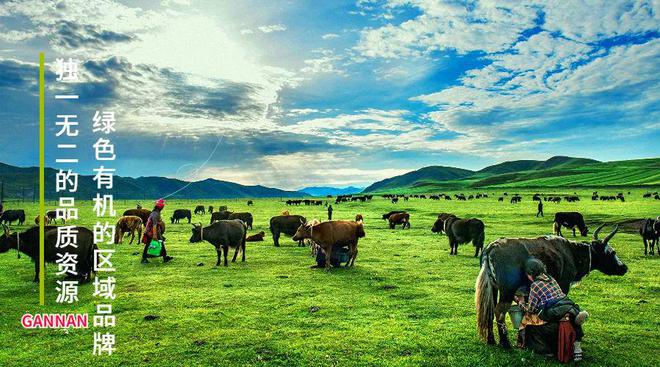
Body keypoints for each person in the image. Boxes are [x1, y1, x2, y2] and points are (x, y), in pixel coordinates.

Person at [515, 258, 589, 362]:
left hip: (552, 310)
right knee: (567, 312)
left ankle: (544, 351)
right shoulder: (551, 278)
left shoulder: (535, 285)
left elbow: (531, 309)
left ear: (530, 273)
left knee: (530, 323)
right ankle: (576, 336)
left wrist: (520, 302)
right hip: (565, 303)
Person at [141, 199, 173, 264]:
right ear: (160, 207)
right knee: (148, 245)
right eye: (162, 207)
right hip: (151, 232)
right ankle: (143, 259)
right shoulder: (155, 214)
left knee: (161, 244)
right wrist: (155, 236)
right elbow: (154, 225)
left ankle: (165, 257)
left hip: (154, 231)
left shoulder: (156, 213)